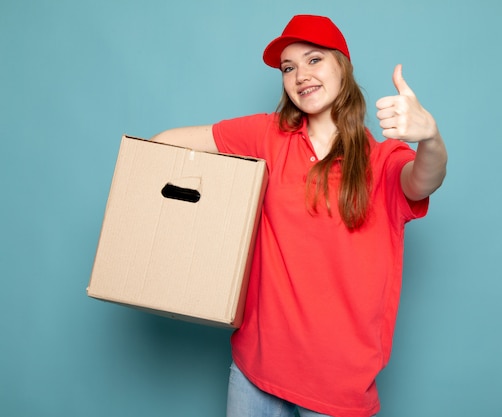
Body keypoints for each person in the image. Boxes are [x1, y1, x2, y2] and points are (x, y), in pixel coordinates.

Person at [151, 14, 447, 417]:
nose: (299, 76)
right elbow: (166, 143)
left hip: (338, 386)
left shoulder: (382, 160)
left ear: (342, 65)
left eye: (313, 60)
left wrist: (430, 136)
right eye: (288, 68)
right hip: (255, 371)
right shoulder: (267, 136)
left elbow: (424, 180)